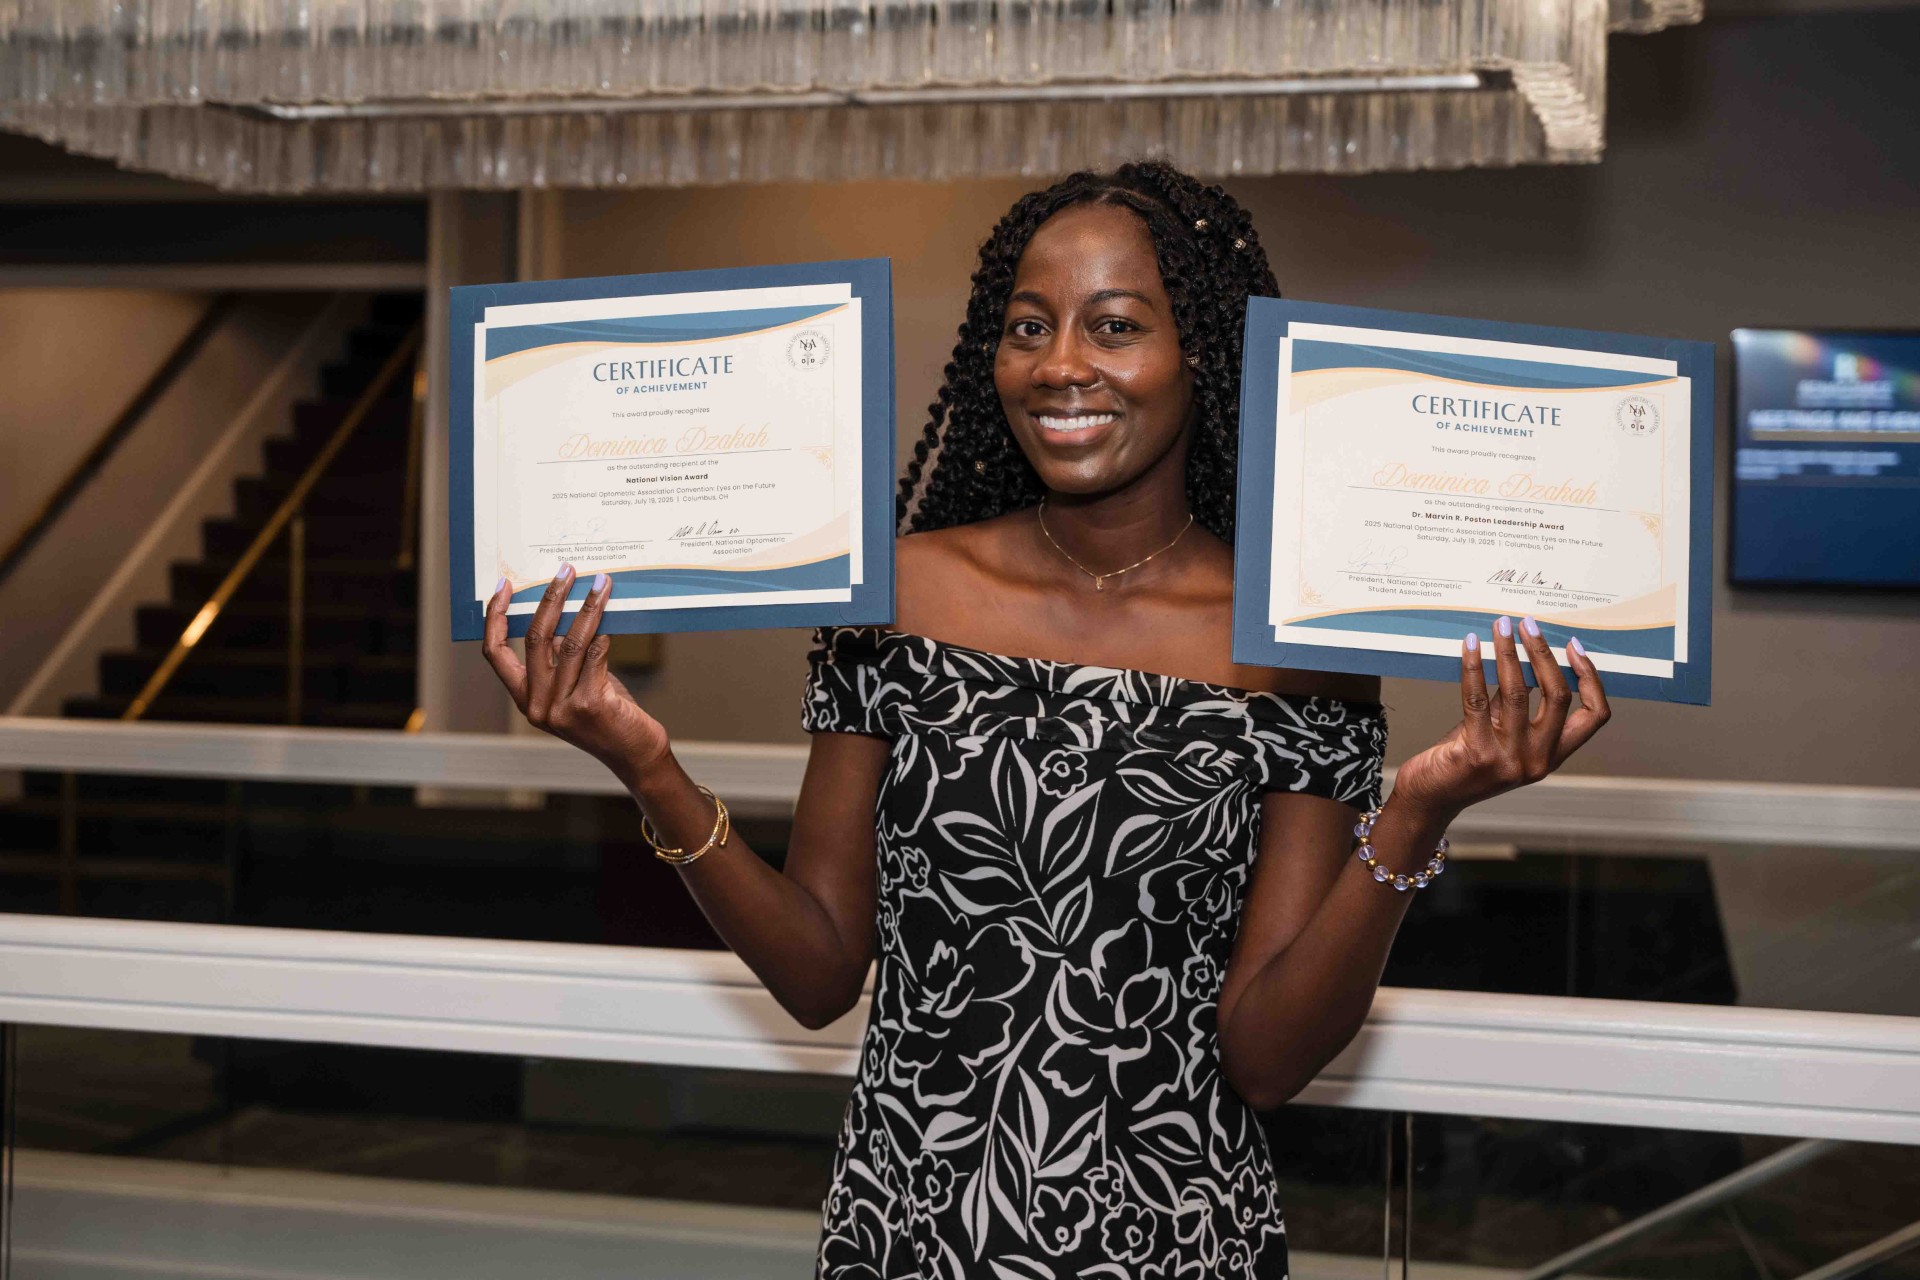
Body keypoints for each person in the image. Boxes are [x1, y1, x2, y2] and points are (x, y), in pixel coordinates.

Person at [480, 160, 1612, 1280]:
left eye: (1114, 327)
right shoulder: (900, 598)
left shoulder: (1294, 644)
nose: (1062, 364)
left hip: (1175, 1243)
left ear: (1202, 353)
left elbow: (1268, 1060)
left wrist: (1417, 810)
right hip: (911, 1236)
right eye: (1029, 327)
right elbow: (818, 974)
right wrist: (645, 762)